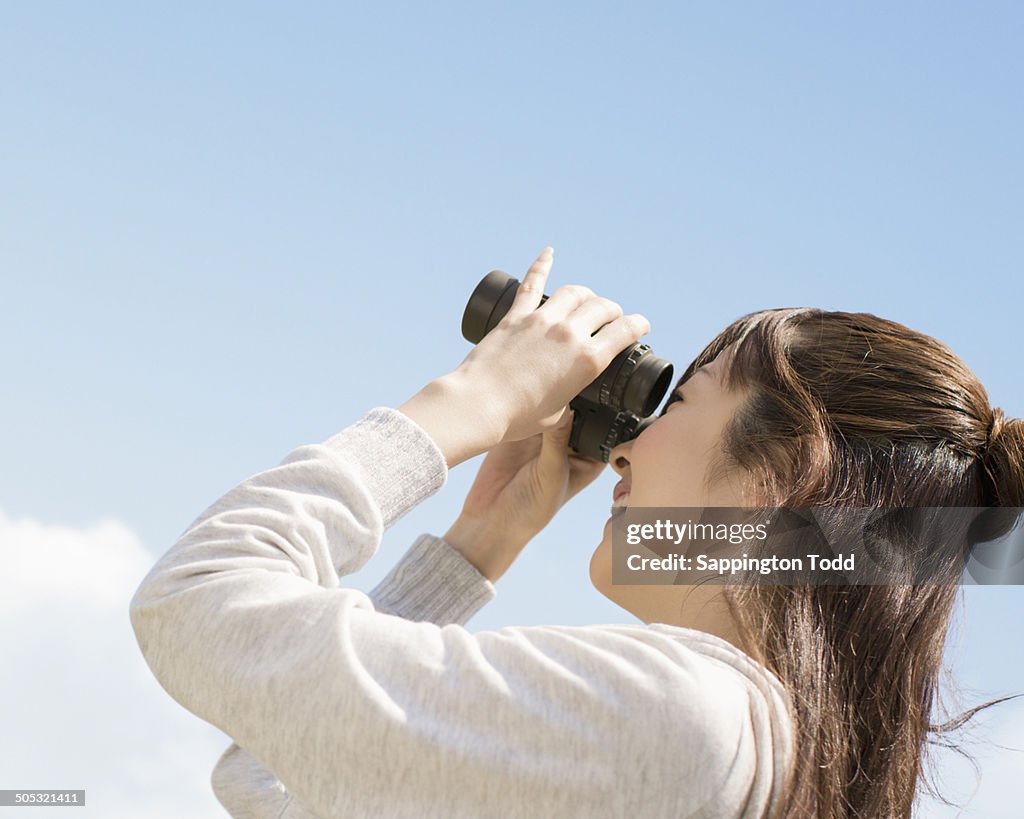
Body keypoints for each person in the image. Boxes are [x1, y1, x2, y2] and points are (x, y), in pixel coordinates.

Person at [129, 247, 1022, 819]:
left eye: (684, 397)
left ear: (784, 469)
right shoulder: (773, 752)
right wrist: (480, 541)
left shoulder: (688, 718)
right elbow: (273, 772)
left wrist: (466, 406)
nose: (628, 439)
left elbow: (198, 599)